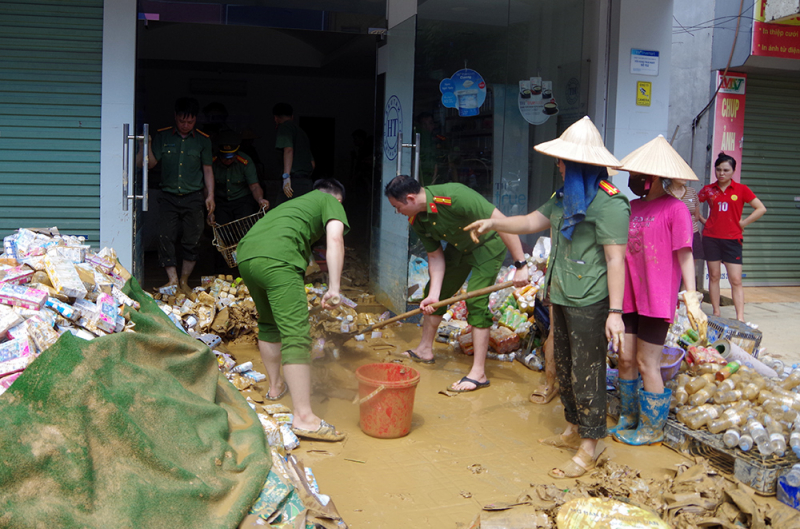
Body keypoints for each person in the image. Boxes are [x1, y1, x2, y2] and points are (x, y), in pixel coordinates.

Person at [465, 116, 629, 478]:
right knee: (565, 368)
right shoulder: (563, 197)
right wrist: (495, 223)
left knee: (588, 372)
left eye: (562, 161)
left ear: (578, 164)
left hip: (591, 299)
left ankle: (592, 444)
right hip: (561, 294)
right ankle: (574, 429)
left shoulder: (610, 203)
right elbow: (527, 222)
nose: (557, 166)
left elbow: (617, 259)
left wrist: (615, 312)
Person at [384, 175, 529, 392]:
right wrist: (434, 295)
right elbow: (435, 257)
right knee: (435, 292)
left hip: (487, 245)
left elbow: (504, 224)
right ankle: (424, 349)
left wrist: (521, 264)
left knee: (476, 300)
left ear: (411, 198)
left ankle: (478, 373)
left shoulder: (456, 196)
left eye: (397, 207)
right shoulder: (418, 220)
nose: (397, 212)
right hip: (460, 247)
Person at [610, 135, 708, 446]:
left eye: (635, 176)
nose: (631, 181)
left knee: (646, 363)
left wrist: (691, 297)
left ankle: (652, 429)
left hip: (657, 299)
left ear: (649, 177)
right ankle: (628, 417)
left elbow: (685, 253)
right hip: (628, 297)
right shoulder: (631, 206)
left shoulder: (676, 209)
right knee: (624, 359)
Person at [235, 178, 348, 442]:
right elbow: (335, 238)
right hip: (277, 259)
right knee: (296, 334)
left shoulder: (294, 205)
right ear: (337, 200)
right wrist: (334, 287)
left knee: (269, 323)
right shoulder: (331, 201)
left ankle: (275, 388)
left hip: (246, 257)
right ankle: (305, 418)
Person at [142, 97, 214, 294]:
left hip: (193, 196)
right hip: (169, 196)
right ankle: (172, 279)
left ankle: (184, 280)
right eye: (182, 121)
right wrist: (146, 144)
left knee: (193, 238)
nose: (185, 125)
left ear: (195, 120)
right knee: (165, 236)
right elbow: (150, 164)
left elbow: (207, 170)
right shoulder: (163, 137)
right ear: (175, 117)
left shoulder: (202, 140)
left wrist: (211, 196)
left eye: (190, 122)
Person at [699, 153, 766, 322]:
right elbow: (694, 203)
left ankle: (740, 318)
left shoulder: (742, 189)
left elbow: (760, 208)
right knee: (714, 276)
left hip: (733, 239)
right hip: (711, 238)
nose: (721, 173)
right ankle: (716, 313)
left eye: (726, 170)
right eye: (718, 169)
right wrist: (701, 219)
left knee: (735, 280)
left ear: (733, 171)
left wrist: (743, 223)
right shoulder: (708, 189)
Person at [210, 129, 269, 226]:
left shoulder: (245, 162)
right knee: (223, 231)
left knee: (244, 228)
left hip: (242, 200)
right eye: (225, 157)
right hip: (221, 201)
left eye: (231, 157)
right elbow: (207, 188)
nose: (228, 160)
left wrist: (260, 200)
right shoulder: (213, 163)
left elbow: (254, 186)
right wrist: (210, 209)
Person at [273, 103, 315, 205]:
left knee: (281, 214)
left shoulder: (284, 128)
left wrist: (286, 177)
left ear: (276, 118)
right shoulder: (301, 132)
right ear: (292, 117)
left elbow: (288, 150)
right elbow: (313, 164)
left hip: (292, 182)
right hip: (306, 182)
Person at [666, 176, 704, 289]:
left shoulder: (692, 192)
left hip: (692, 233)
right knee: (671, 268)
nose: (685, 177)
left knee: (689, 268)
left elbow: (696, 215)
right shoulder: (664, 192)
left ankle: (684, 300)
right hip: (672, 236)